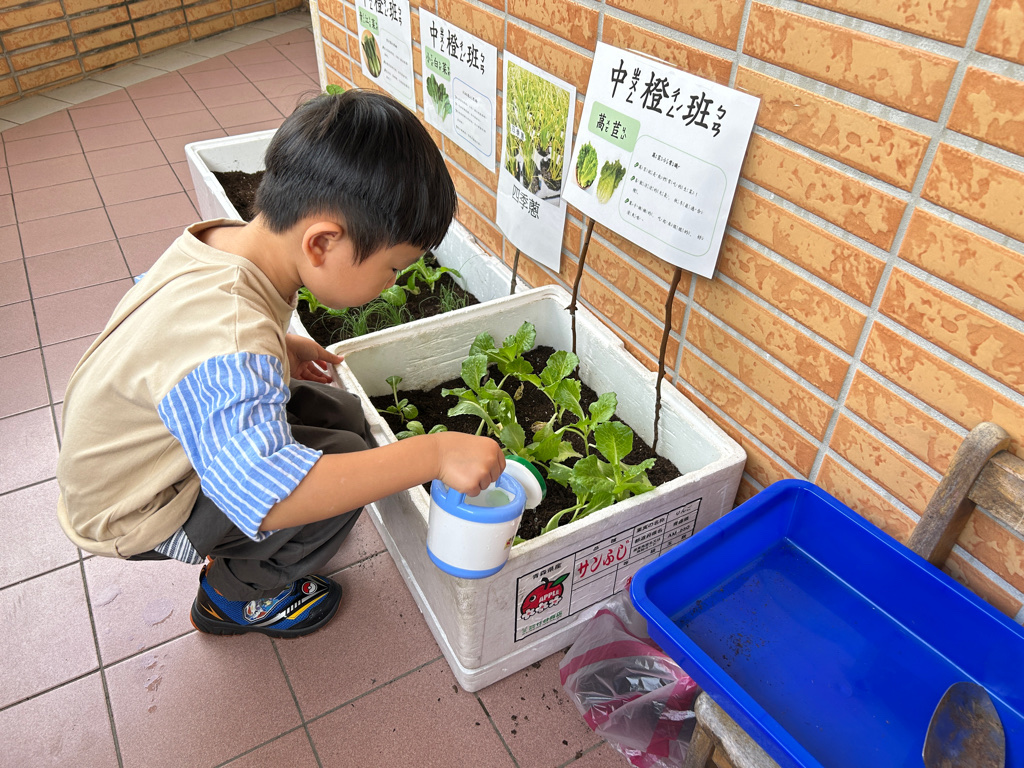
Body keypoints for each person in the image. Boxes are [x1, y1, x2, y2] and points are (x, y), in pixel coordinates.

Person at [56, 88, 505, 639]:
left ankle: (245, 555)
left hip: (143, 450)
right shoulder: (233, 339)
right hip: (138, 508)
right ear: (322, 243)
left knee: (341, 416)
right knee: (339, 482)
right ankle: (232, 596)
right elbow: (270, 497)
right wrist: (431, 454)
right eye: (393, 268)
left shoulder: (225, 243)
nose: (395, 282)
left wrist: (281, 347)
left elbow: (176, 341)